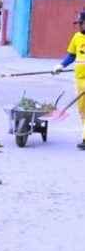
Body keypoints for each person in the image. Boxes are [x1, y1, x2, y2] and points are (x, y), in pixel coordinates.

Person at [53, 9, 85, 150]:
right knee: (83, 111)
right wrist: (61, 65)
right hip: (80, 80)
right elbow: (71, 55)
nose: (79, 26)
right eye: (79, 23)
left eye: (81, 23)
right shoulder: (77, 37)